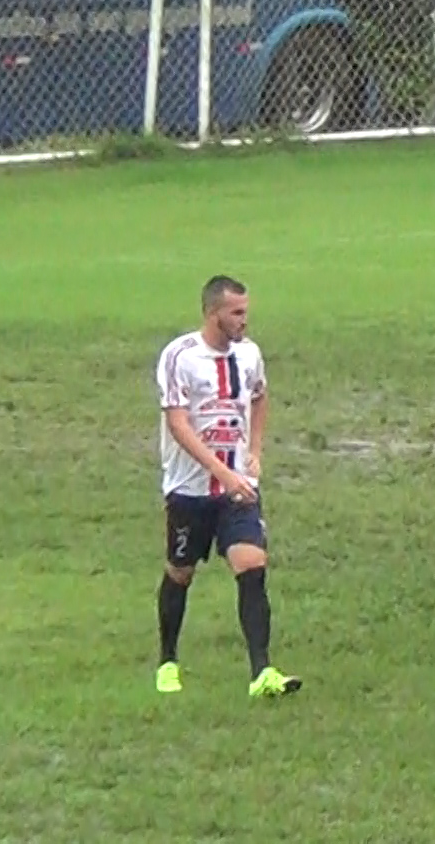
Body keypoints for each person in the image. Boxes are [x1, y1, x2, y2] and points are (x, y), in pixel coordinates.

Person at [152, 275, 301, 699]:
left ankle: (262, 672)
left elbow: (259, 396)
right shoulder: (179, 356)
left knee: (252, 566)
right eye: (236, 313)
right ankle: (167, 660)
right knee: (180, 573)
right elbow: (178, 424)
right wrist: (222, 471)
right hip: (189, 490)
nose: (244, 321)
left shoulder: (249, 355)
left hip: (237, 488)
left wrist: (253, 451)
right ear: (212, 313)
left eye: (246, 312)